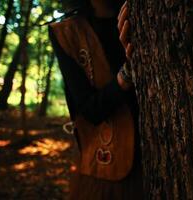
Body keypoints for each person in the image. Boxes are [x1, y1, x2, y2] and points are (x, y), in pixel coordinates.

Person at [48, 0, 142, 199]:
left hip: (157, 154)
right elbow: (90, 110)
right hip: (109, 169)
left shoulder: (139, 12)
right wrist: (128, 73)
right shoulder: (66, 32)